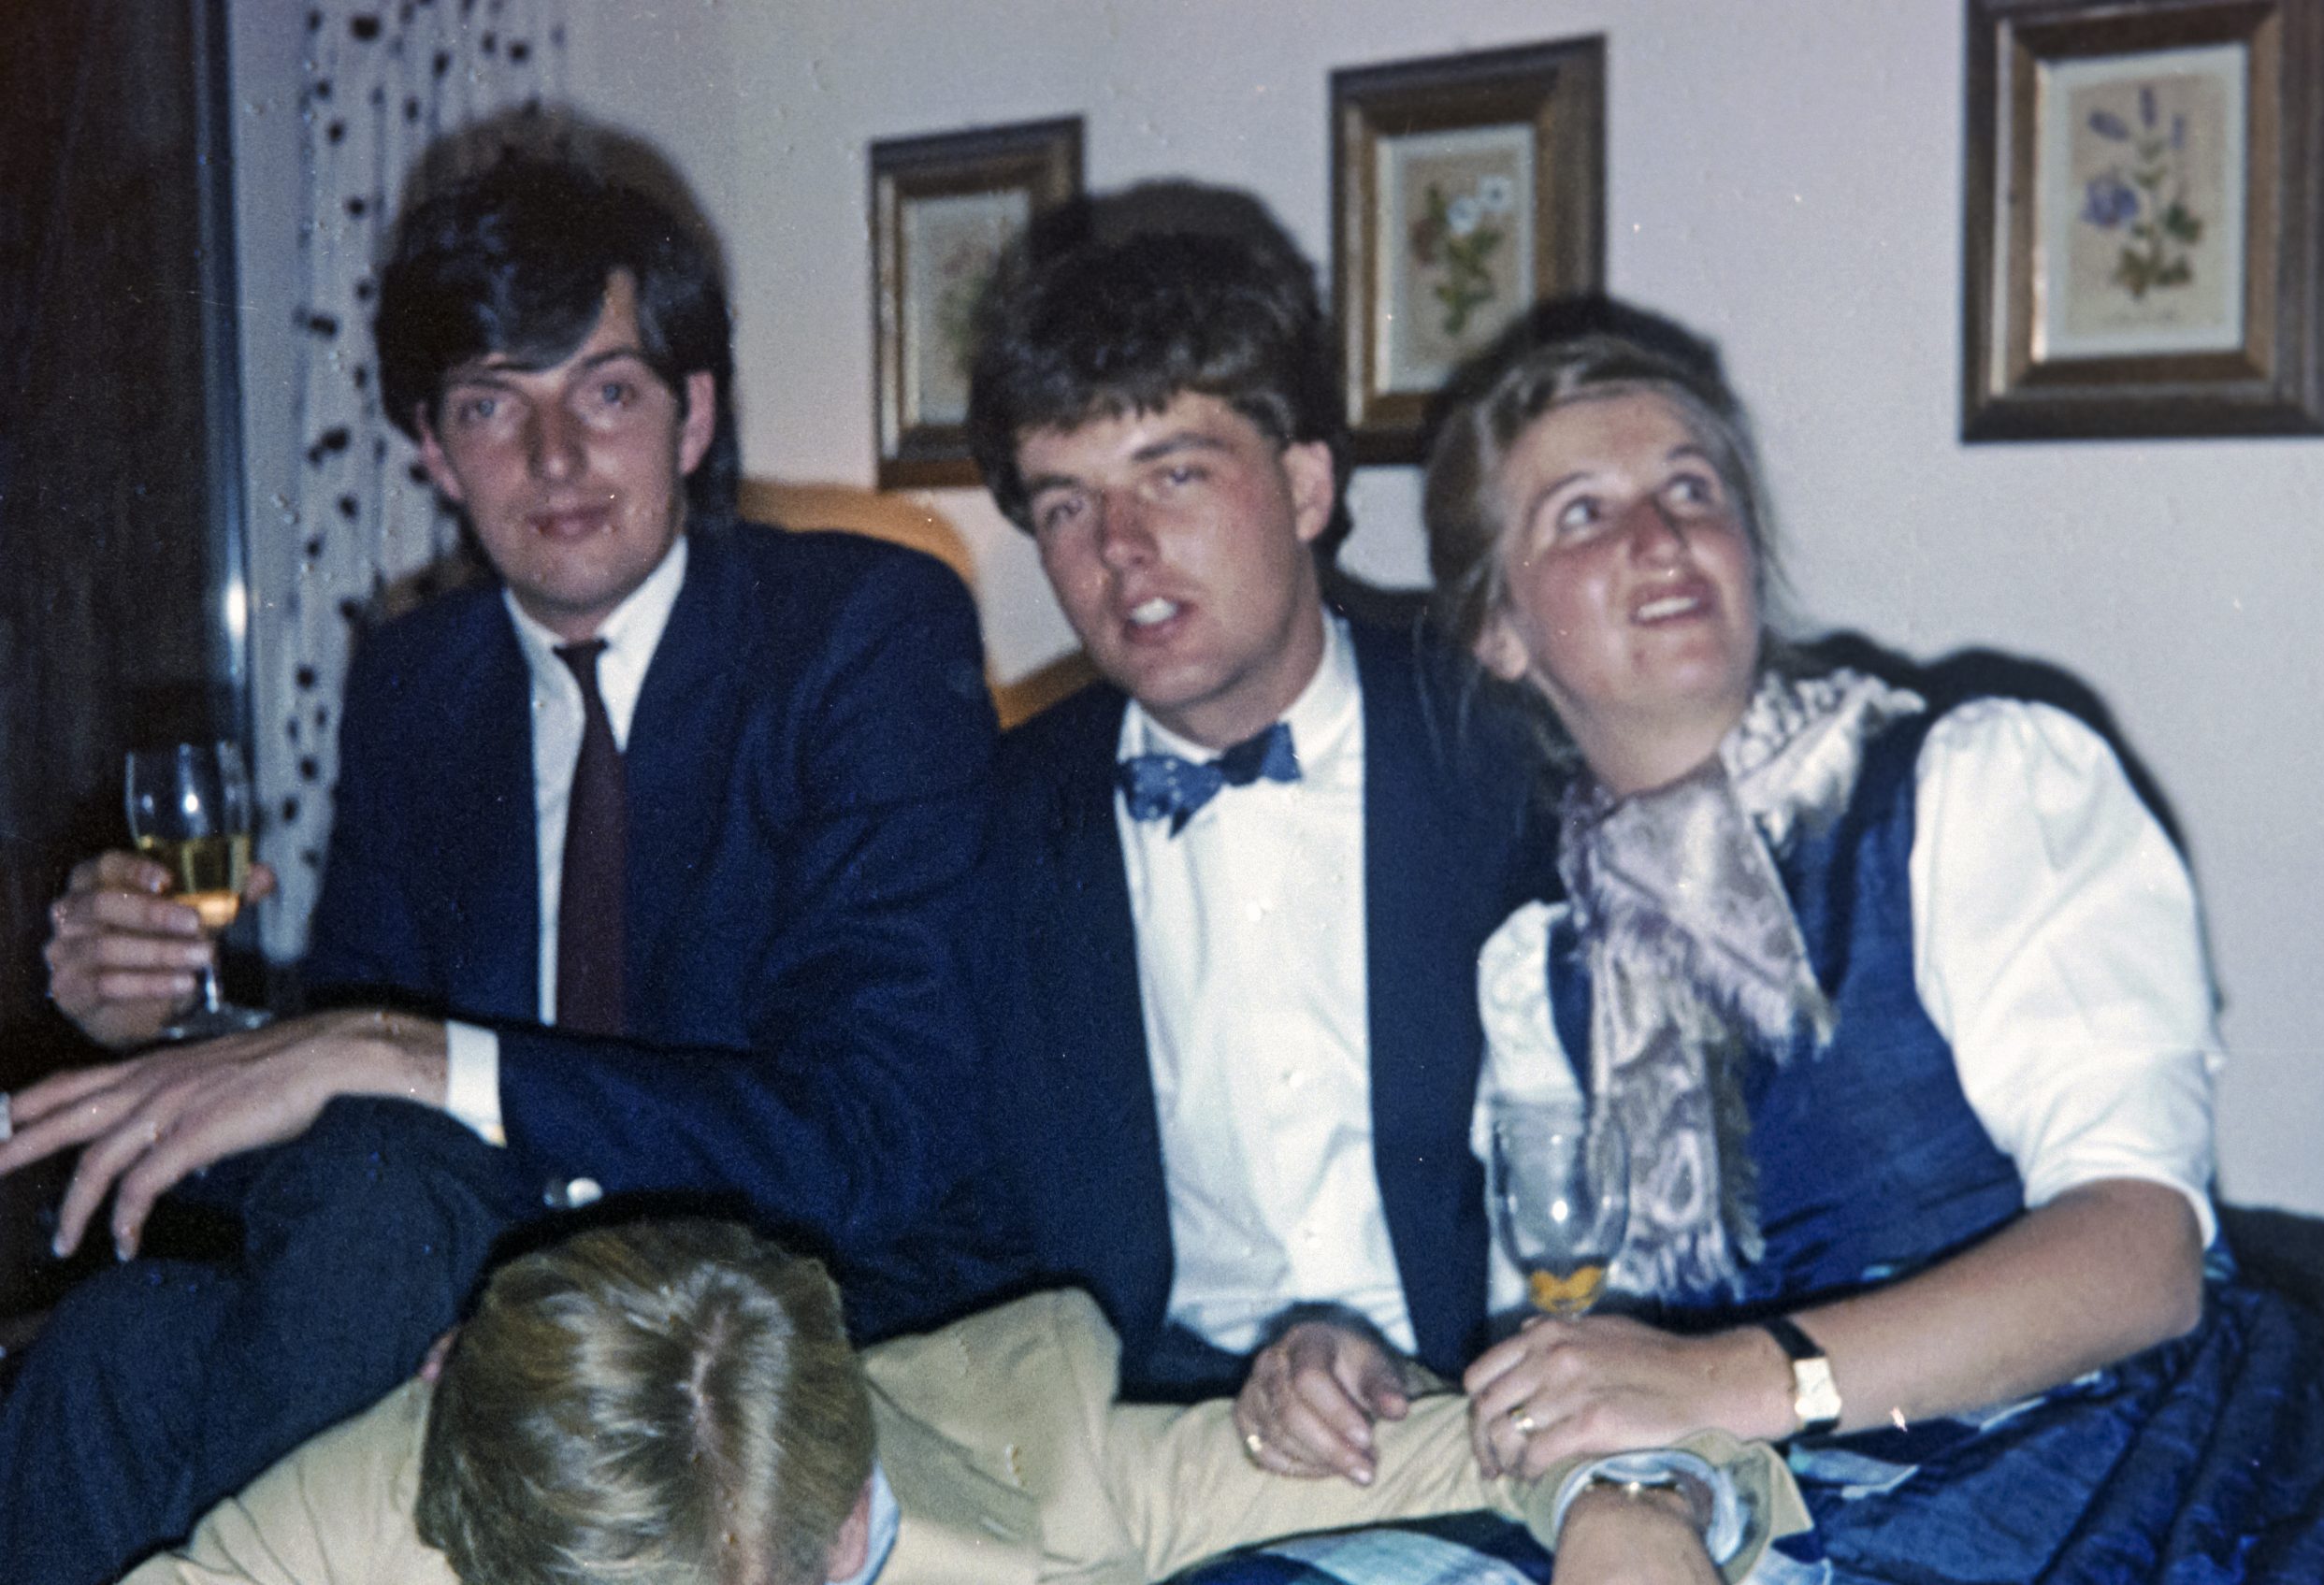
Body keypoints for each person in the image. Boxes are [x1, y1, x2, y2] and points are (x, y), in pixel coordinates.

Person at [7, 137, 995, 1585]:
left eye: (606, 392)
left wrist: (396, 1062)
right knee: (118, 1345)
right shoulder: (422, 682)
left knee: (374, 1189)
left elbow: (875, 1142)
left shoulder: (857, 634)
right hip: (474, 1283)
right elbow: (354, 1118)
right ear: (431, 447)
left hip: (762, 1317)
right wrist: (161, 1027)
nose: (555, 460)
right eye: (491, 405)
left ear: (694, 415)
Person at [1378, 304, 2324, 1578]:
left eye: (1692, 490)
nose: (1660, 537)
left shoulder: (1984, 784)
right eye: (1581, 513)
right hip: (1733, 1479)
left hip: (2095, 1457)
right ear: (1500, 630)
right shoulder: (1540, 968)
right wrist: (1628, 1494)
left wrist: (1731, 1383)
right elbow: (1571, 1339)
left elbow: (2143, 1258)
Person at [962, 216, 1552, 1457]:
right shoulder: (994, 820)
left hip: (1501, 1406)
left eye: (1173, 475)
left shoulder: (1512, 745)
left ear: (1306, 489)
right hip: (1164, 1439)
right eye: (1068, 506)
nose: (1120, 550)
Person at [120, 1218, 1802, 1585]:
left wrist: (1632, 1512)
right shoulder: (412, 1490)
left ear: (855, 1515)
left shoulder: (1042, 1463)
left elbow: (1570, 1425)